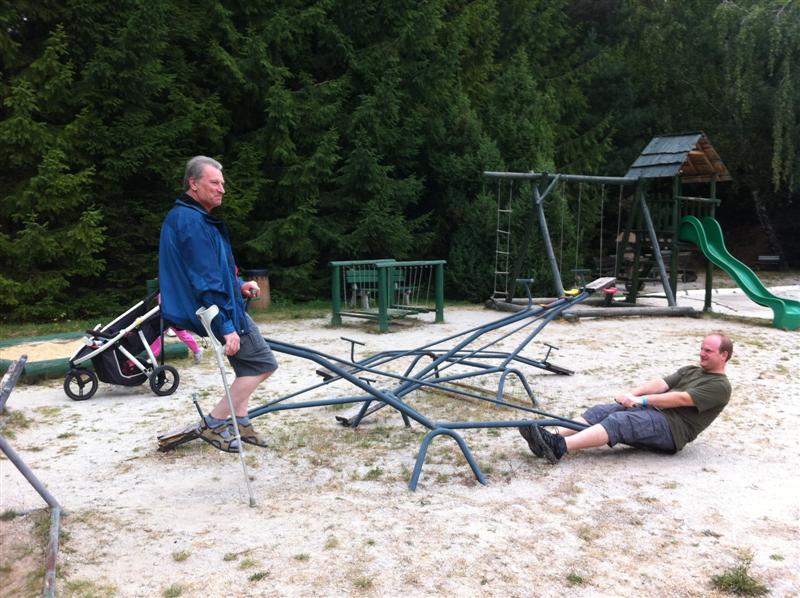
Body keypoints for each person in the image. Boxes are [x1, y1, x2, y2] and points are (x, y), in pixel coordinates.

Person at [159, 155, 278, 453]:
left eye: (222, 183)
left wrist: (239, 285)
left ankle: (242, 423)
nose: (222, 189)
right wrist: (225, 326)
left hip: (222, 305)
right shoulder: (191, 221)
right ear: (194, 184)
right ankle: (214, 423)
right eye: (214, 183)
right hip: (218, 311)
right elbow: (203, 278)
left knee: (247, 366)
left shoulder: (193, 218)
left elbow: (214, 269)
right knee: (263, 364)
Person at [518, 332, 733, 464]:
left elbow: (682, 399)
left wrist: (643, 401)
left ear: (723, 355)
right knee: (602, 411)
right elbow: (662, 383)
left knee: (621, 421)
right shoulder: (691, 370)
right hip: (656, 414)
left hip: (672, 430)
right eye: (701, 349)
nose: (702, 353)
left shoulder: (720, 386)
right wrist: (632, 395)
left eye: (708, 351)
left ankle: (559, 446)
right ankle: (549, 437)